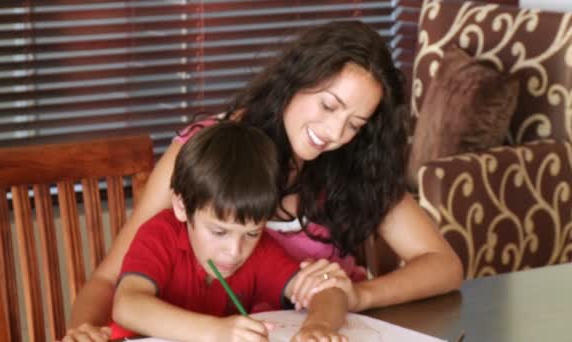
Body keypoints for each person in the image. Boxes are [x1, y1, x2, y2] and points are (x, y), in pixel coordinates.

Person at [62, 20, 463, 341]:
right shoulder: (213, 155)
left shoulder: (353, 162)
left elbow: (444, 265)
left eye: (354, 124)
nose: (335, 133)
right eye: (328, 105)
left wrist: (360, 295)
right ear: (296, 81)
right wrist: (82, 331)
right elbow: (113, 281)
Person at [108, 122, 348, 341]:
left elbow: (330, 293)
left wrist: (318, 326)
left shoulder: (261, 251)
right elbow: (127, 305)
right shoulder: (161, 235)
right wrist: (215, 331)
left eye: (252, 233)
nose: (235, 251)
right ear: (182, 206)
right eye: (219, 231)